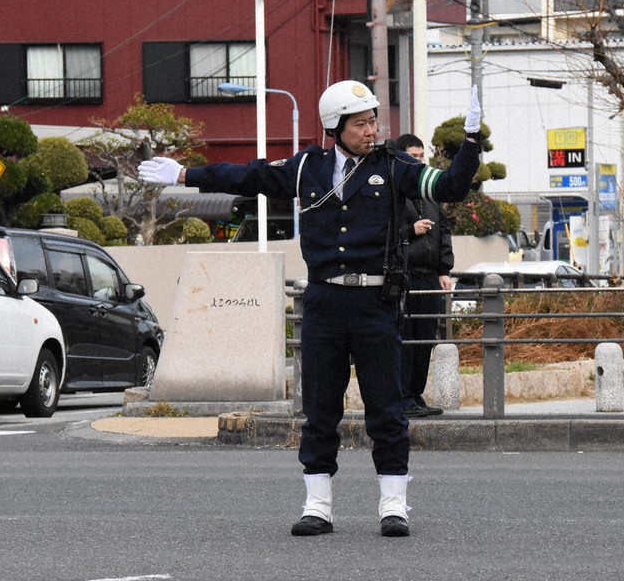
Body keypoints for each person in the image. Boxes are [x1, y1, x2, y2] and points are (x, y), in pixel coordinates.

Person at [139, 80, 482, 538]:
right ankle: (317, 505)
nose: (371, 129)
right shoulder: (307, 168)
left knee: (387, 409)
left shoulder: (394, 165)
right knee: (320, 410)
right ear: (334, 127)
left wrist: (472, 144)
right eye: (360, 123)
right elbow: (249, 175)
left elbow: (449, 186)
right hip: (323, 300)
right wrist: (185, 175)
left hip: (376, 302)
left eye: (373, 120)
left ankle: (394, 506)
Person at [395, 133, 453, 417]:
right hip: (404, 276)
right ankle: (403, 396)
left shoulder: (431, 194)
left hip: (429, 277)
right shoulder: (394, 192)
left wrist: (445, 269)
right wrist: (410, 230)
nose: (418, 162)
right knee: (405, 339)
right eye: (412, 156)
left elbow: (444, 231)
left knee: (426, 338)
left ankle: (416, 395)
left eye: (421, 156)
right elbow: (382, 234)